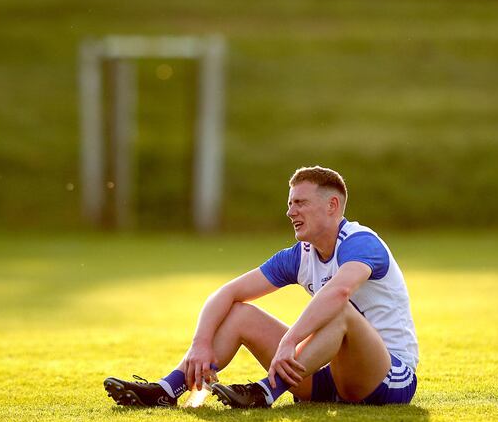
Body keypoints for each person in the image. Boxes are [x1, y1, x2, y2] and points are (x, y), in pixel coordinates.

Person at [104, 166, 419, 408]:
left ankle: (266, 392)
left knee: (342, 311)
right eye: (290, 203)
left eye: (300, 203)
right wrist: (200, 343)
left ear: (332, 205)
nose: (290, 211)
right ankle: (167, 389)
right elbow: (227, 293)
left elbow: (338, 294)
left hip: (390, 378)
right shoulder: (300, 255)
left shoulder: (361, 243)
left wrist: (290, 340)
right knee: (240, 313)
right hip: (332, 378)